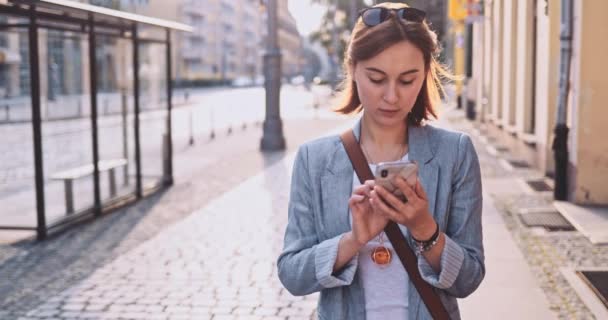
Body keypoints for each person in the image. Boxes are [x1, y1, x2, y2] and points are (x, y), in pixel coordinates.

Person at [277, 2, 484, 320]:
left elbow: (469, 278)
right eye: (376, 78)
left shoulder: (454, 153)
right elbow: (292, 274)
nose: (391, 96)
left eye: (407, 80)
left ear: (425, 75)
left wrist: (424, 229)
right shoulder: (314, 159)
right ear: (353, 69)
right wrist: (353, 240)